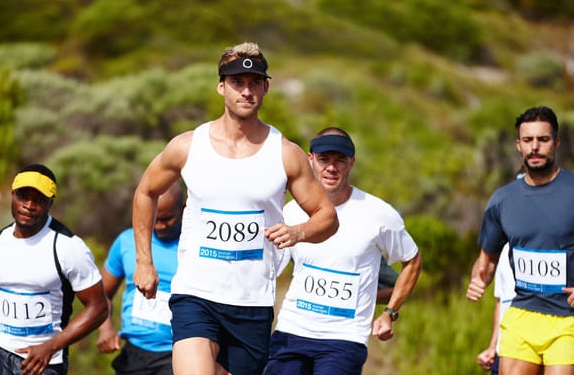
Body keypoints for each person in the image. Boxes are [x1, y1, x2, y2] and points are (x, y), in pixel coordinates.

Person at [130, 42, 339, 375]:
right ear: (221, 86)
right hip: (196, 294)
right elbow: (145, 192)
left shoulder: (285, 153)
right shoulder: (188, 146)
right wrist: (144, 261)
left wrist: (298, 231)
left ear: (266, 87)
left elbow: (327, 218)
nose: (246, 90)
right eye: (237, 82)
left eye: (254, 82)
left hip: (252, 302)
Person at [465, 106, 574, 375]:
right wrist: (478, 279)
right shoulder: (502, 200)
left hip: (568, 318)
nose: (535, 147)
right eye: (528, 140)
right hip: (522, 313)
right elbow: (486, 260)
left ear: (556, 143)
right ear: (518, 145)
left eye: (543, 140)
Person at [264, 128, 423, 374]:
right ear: (310, 160)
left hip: (344, 339)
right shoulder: (292, 211)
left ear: (352, 163)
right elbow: (268, 270)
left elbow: (412, 260)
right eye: (324, 159)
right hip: (292, 331)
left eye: (340, 160)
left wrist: (390, 313)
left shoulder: (378, 213)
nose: (331, 168)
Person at [0, 164, 108, 375]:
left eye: (39, 200)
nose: (29, 205)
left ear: (51, 202)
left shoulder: (68, 247)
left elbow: (99, 308)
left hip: (42, 357)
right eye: (22, 196)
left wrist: (51, 347)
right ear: (12, 195)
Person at [97, 183, 184, 375]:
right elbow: (102, 295)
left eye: (167, 219)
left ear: (183, 207)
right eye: (155, 218)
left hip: (178, 354)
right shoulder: (127, 241)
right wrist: (105, 329)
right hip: (134, 353)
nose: (159, 226)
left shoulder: (194, 246)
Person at [476, 244, 516, 374]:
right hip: (502, 351)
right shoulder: (503, 250)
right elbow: (501, 301)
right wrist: (493, 346)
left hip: (533, 351)